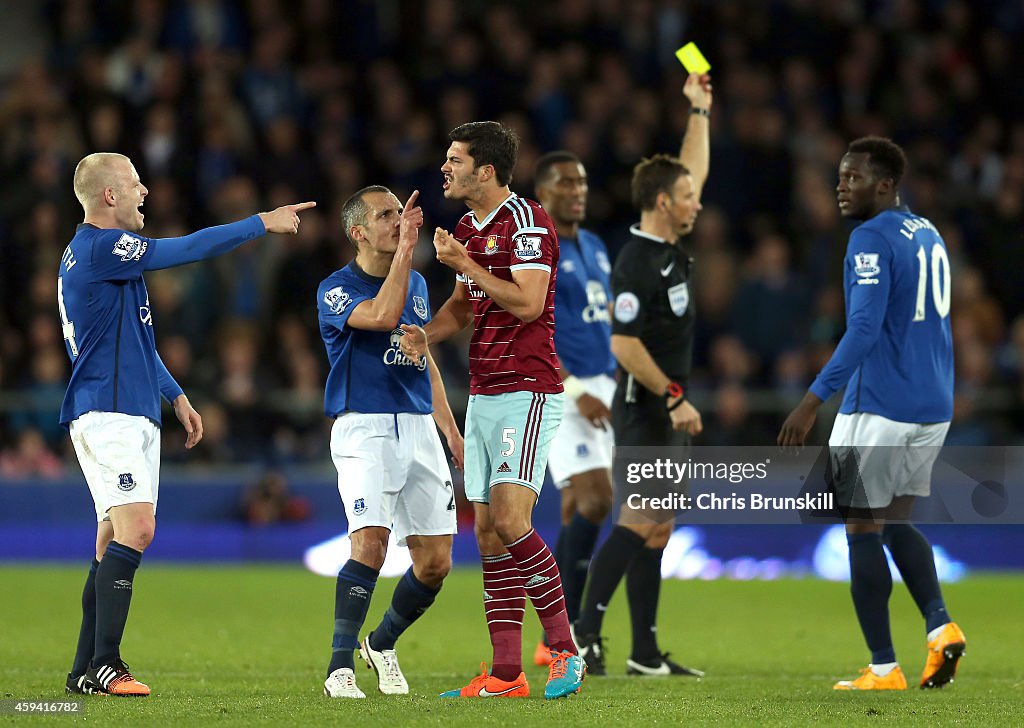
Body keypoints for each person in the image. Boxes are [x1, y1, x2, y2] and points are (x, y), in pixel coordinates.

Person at [60, 152, 313, 696]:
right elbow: (186, 250)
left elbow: (134, 341)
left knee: (111, 539)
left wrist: (175, 396)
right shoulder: (103, 247)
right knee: (138, 530)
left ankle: (83, 669)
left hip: (123, 407)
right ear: (109, 196)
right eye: (133, 183)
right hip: (110, 412)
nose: (144, 191)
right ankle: (108, 664)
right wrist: (259, 223)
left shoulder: (97, 258)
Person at [400, 121, 585, 700]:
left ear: (485, 171)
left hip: (527, 389)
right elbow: (463, 306)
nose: (444, 168)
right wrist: (426, 335)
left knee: (511, 521)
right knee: (485, 536)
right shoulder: (464, 227)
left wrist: (465, 263)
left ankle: (565, 651)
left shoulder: (527, 223)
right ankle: (506, 674)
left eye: (454, 159)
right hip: (483, 391)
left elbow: (529, 304)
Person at [778, 137, 966, 691]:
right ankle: (940, 625)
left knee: (860, 525)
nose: (842, 186)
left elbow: (862, 330)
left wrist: (812, 400)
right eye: (840, 176)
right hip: (932, 405)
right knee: (897, 520)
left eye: (853, 177)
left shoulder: (869, 237)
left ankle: (883, 666)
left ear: (885, 184)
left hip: (879, 405)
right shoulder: (927, 232)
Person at [572, 73, 711, 677]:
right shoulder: (635, 262)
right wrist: (675, 395)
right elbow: (623, 344)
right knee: (639, 520)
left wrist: (699, 111)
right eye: (686, 197)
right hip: (646, 403)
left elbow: (692, 169)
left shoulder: (670, 244)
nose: (696, 202)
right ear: (662, 204)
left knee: (659, 528)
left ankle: (645, 653)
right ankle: (580, 633)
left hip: (666, 404)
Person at [317, 186, 464, 699]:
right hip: (365, 426)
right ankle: (340, 666)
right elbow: (380, 317)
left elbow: (423, 356)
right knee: (371, 546)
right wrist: (405, 252)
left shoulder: (419, 284)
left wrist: (451, 431)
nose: (399, 222)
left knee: (436, 562)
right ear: (358, 232)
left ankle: (381, 643)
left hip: (419, 425)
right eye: (386, 215)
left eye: (401, 213)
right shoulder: (335, 289)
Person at [530, 151, 615, 667]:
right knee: (596, 500)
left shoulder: (596, 246)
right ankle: (573, 633)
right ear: (543, 193)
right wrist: (572, 382)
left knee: (574, 511)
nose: (577, 190)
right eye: (565, 183)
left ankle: (553, 640)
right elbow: (531, 321)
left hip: (602, 387)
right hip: (565, 387)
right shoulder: (541, 247)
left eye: (582, 182)